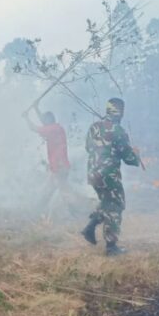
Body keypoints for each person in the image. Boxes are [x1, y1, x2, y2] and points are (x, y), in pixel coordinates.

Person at [81, 98, 141, 255]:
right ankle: (111, 247)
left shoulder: (94, 127)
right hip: (109, 176)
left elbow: (88, 148)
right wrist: (136, 154)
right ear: (120, 112)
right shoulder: (118, 131)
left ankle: (90, 227)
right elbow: (129, 159)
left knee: (107, 202)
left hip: (93, 174)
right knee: (116, 206)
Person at [23, 103, 71, 209]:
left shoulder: (51, 129)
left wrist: (26, 117)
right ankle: (37, 210)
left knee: (64, 193)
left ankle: (77, 210)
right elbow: (45, 124)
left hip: (59, 167)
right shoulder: (57, 128)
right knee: (48, 191)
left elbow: (33, 128)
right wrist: (36, 108)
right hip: (60, 166)